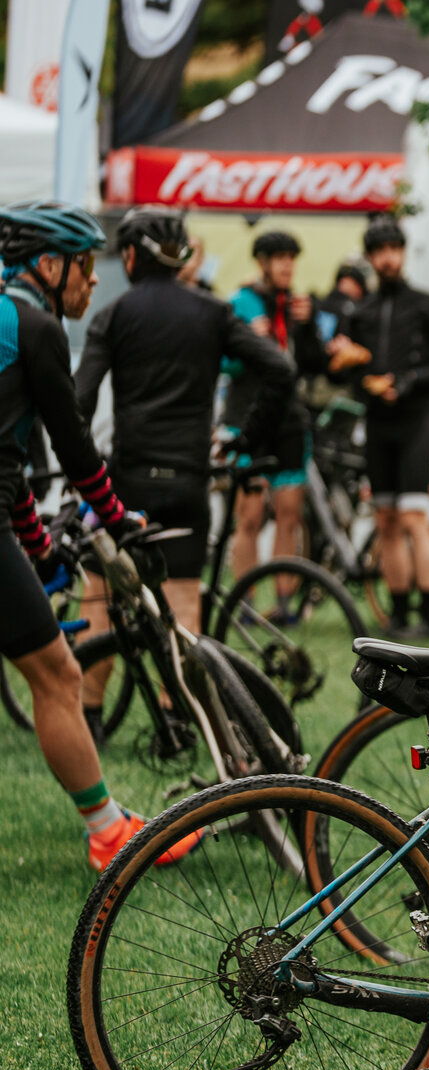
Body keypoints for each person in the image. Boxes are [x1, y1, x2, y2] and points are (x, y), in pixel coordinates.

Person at [0, 200, 195, 870]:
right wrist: (118, 518)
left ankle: (110, 828)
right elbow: (76, 449)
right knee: (58, 673)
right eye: (84, 266)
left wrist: (36, 545)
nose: (91, 281)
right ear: (47, 267)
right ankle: (110, 834)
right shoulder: (36, 326)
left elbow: (9, 462)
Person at [76, 206, 293, 636]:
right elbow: (281, 370)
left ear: (131, 256)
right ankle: (179, 684)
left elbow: (79, 400)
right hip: (188, 480)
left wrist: (83, 464)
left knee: (100, 598)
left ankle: (93, 685)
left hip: (128, 481)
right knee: (184, 613)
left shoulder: (113, 314)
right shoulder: (213, 312)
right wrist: (247, 438)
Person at [340, 216, 429, 638]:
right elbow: (344, 369)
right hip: (377, 423)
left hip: (417, 421)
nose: (387, 259)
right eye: (379, 251)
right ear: (370, 258)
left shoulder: (428, 305)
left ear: (402, 252)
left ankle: (428, 617)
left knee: (414, 516)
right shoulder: (360, 311)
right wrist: (361, 380)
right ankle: (397, 616)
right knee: (385, 519)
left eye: (393, 249)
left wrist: (412, 379)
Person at [226, 230, 328, 618]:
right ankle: (245, 604)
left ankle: (284, 605)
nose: (287, 265)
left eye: (291, 258)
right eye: (279, 257)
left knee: (290, 514)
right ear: (262, 263)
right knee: (249, 517)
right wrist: (247, 343)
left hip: (289, 421)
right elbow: (222, 362)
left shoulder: (297, 306)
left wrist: (309, 326)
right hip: (248, 420)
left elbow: (315, 366)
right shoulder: (241, 303)